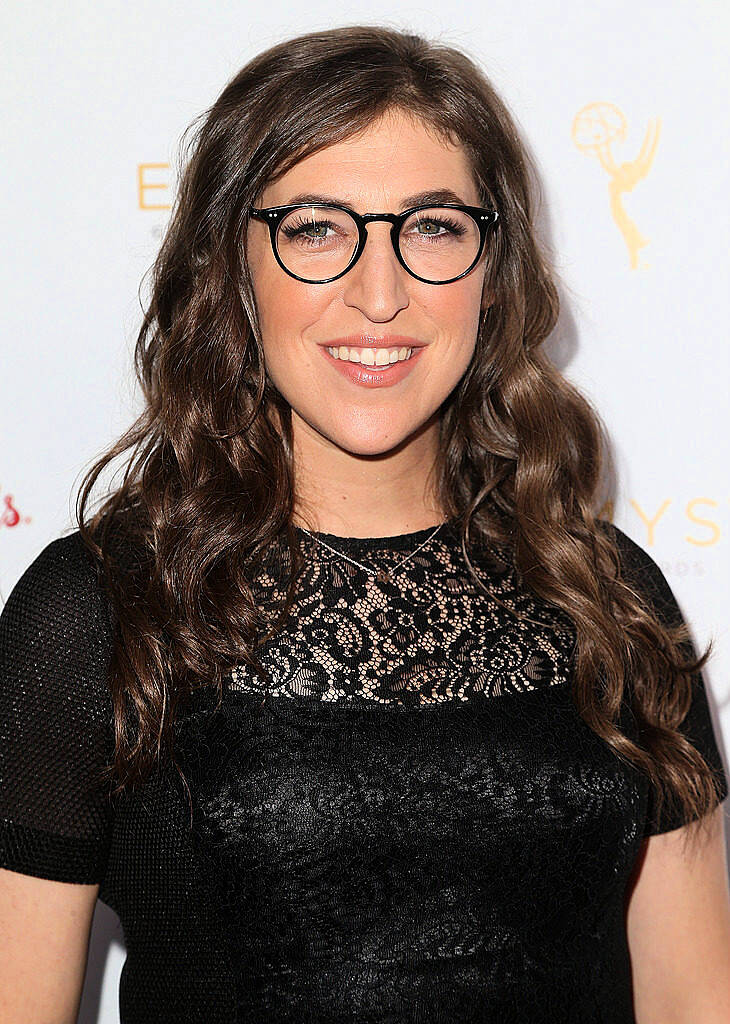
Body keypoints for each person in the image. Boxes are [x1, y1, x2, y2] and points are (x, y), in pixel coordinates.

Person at [1, 23, 728, 1024]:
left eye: (431, 226)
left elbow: (696, 1000)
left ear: (492, 266)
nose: (378, 295)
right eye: (314, 227)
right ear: (232, 265)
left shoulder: (606, 591)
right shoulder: (96, 611)